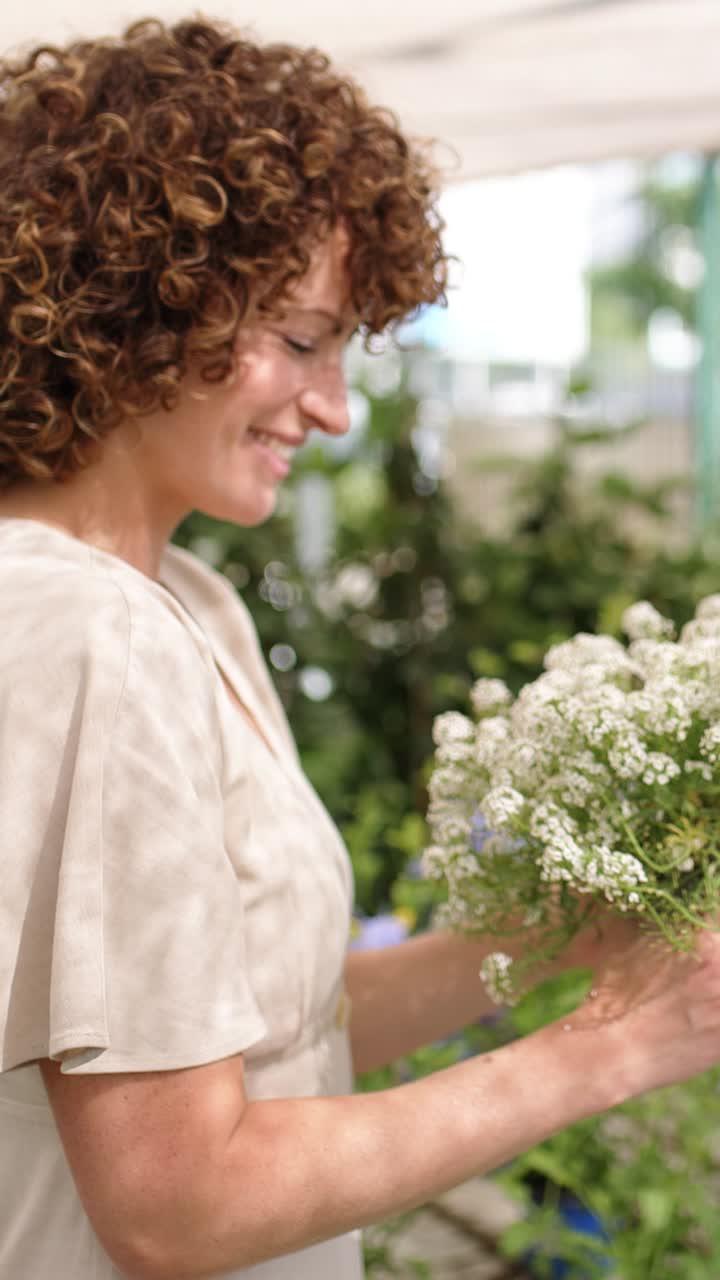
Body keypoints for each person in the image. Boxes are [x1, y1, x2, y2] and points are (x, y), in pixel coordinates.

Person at [1, 16, 720, 1280]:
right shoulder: (84, 630)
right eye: (299, 338)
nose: (332, 406)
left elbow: (287, 1029)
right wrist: (611, 1046)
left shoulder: (182, 598)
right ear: (137, 301)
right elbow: (178, 1203)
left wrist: (565, 933)